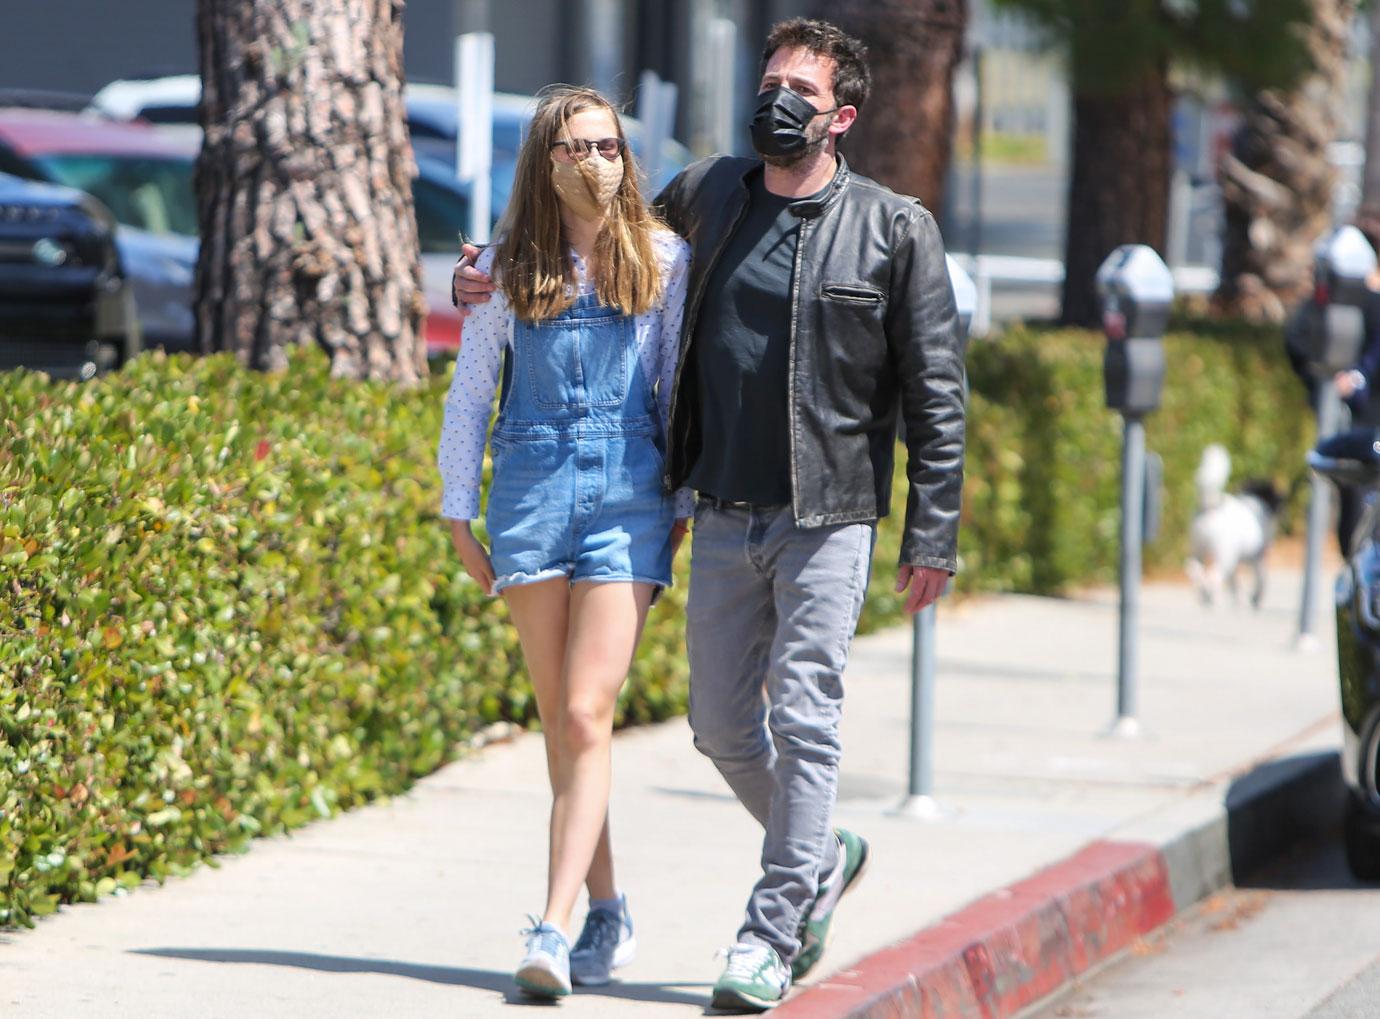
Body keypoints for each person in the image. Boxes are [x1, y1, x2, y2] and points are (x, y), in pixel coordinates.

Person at [454, 19, 966, 1013]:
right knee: (723, 729)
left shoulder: (894, 229)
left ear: (842, 116)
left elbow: (937, 394)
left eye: (801, 92)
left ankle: (768, 935)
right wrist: (482, 269)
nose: (776, 100)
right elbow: (590, 234)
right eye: (770, 81)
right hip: (722, 510)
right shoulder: (712, 193)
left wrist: (931, 531)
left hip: (829, 511)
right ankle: (823, 854)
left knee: (805, 721)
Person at [436, 85, 692, 999]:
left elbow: (672, 391)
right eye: (576, 146)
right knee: (564, 725)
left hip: (630, 494)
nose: (596, 161)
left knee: (586, 714)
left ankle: (549, 927)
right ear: (545, 163)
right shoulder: (507, 266)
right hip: (531, 495)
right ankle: (610, 906)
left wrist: (683, 502)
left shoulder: (662, 257)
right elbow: (471, 393)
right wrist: (456, 511)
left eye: (609, 144)